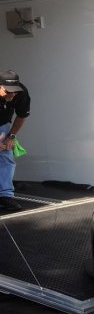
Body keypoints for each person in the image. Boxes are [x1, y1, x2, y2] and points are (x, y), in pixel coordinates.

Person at [0, 70, 31, 211]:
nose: (11, 95)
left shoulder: (21, 93)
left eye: (14, 91)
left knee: (6, 155)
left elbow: (21, 115)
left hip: (3, 123)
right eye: (8, 91)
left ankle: (5, 196)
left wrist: (10, 136)